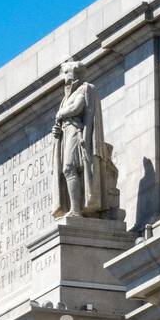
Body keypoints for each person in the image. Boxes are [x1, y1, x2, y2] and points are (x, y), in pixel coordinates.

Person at [51, 59, 108, 218]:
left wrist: (61, 113)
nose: (65, 79)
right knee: (67, 169)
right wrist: (57, 131)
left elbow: (78, 107)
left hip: (76, 132)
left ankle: (76, 209)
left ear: (72, 74)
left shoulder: (84, 89)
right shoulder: (65, 98)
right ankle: (74, 208)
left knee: (70, 167)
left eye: (66, 75)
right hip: (66, 133)